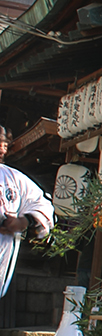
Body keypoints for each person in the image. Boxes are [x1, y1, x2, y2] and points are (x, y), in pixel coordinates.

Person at [0, 126, 54, 299]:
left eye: (4, 145)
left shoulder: (13, 178)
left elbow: (41, 203)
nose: (2, 149)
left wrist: (25, 221)